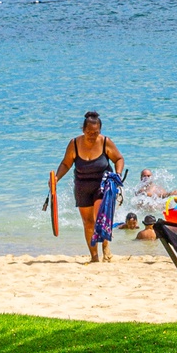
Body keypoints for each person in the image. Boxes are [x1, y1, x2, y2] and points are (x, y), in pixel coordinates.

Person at [53, 111, 124, 263]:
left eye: (96, 132)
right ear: (83, 130)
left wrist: (117, 174)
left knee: (100, 217)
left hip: (103, 184)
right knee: (88, 222)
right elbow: (66, 163)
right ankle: (94, 256)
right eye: (89, 132)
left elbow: (118, 158)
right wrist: (57, 178)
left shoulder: (105, 142)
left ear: (100, 130)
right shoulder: (74, 144)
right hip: (82, 186)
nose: (92, 135)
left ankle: (105, 245)